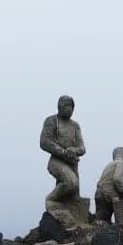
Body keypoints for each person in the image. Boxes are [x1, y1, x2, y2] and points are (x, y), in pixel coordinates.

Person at [39, 95, 86, 226]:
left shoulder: (75, 126)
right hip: (56, 161)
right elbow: (44, 142)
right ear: (59, 106)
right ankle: (51, 200)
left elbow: (82, 148)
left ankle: (74, 222)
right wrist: (63, 152)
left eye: (71, 106)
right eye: (66, 106)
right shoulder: (52, 121)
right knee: (70, 182)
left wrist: (74, 150)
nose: (69, 109)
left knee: (73, 195)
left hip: (72, 162)